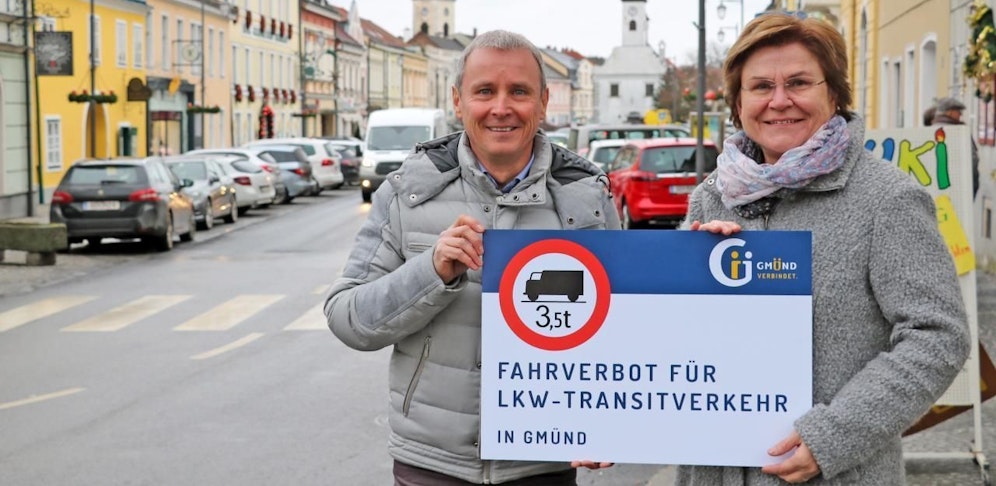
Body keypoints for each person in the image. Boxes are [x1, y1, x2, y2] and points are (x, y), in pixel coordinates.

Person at [680, 14, 971, 485]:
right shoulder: (712, 196)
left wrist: (832, 437)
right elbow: (674, 339)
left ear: (834, 94)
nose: (779, 101)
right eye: (759, 87)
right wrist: (682, 277)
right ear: (737, 102)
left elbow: (937, 336)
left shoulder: (886, 198)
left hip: (836, 475)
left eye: (798, 82)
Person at [324, 30, 619, 485]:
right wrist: (432, 271)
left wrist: (709, 255)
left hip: (543, 463)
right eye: (485, 91)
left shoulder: (587, 199)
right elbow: (348, 320)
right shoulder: (408, 194)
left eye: (518, 92)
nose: (501, 107)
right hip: (431, 464)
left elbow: (625, 329)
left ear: (542, 102)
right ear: (459, 102)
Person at [931, 96, 980, 197]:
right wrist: (972, 188)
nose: (960, 114)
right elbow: (972, 160)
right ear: (949, 112)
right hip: (960, 190)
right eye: (958, 111)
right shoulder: (960, 132)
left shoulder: (930, 130)